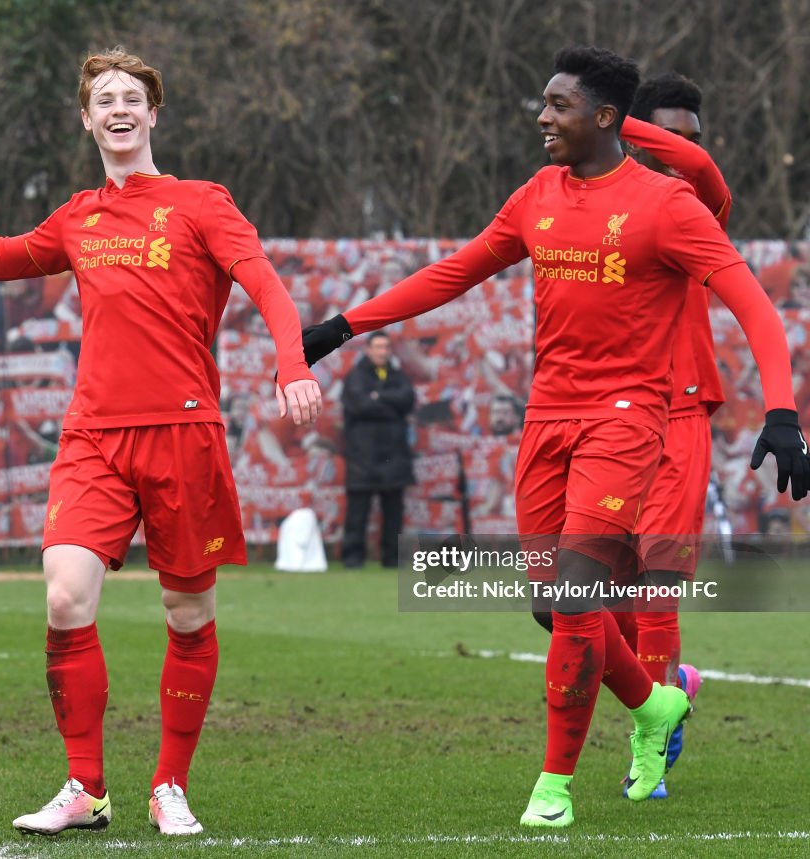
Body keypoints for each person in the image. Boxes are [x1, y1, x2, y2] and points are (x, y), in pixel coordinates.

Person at [301, 46, 809, 828]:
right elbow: (458, 268)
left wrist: (782, 413)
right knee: (550, 603)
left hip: (628, 420)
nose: (542, 116)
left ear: (605, 118)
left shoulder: (670, 205)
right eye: (544, 102)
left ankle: (553, 786)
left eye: (558, 104)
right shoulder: (537, 193)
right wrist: (343, 325)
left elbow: (753, 304)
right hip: (548, 421)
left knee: (587, 593)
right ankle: (654, 705)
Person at [0, 47, 321, 837]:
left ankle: (169, 785)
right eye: (104, 99)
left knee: (187, 616)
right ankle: (86, 786)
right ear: (87, 120)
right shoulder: (78, 215)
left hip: (184, 433)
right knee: (64, 595)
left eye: (132, 98)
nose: (118, 108)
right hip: (93, 437)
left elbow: (267, 285)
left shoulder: (201, 202)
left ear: (153, 115)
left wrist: (293, 365)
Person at [613, 72, 732, 798]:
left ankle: (646, 746)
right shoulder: (597, 208)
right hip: (602, 415)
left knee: (656, 585)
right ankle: (671, 686)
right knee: (590, 599)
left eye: (690, 139)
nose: (678, 154)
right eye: (666, 137)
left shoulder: (697, 208)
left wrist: (616, 125)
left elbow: (701, 172)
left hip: (680, 413)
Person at [339, 331, 416, 568]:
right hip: (363, 456)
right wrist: (389, 405)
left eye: (386, 347)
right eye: (378, 347)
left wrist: (378, 397)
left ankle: (392, 558)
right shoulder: (355, 377)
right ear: (368, 350)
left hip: (394, 455)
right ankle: (353, 559)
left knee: (394, 512)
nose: (383, 351)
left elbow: (408, 399)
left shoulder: (398, 375)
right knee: (357, 512)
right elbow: (360, 405)